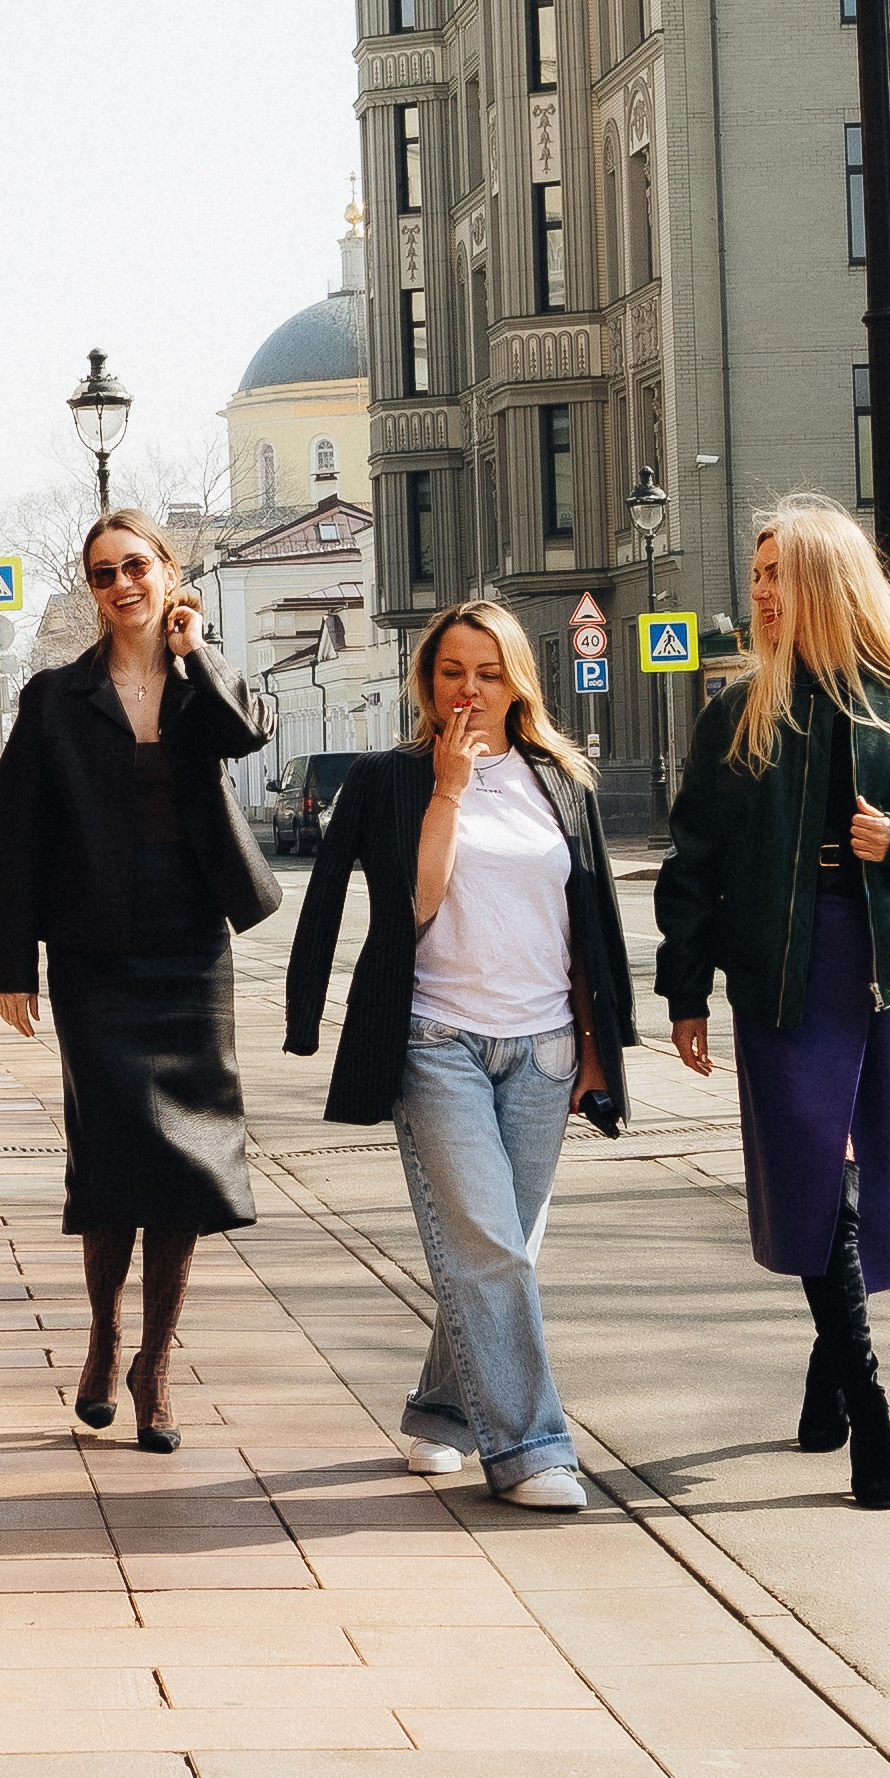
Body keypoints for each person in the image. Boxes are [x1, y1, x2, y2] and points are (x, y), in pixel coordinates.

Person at [655, 491, 890, 1510]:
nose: (757, 592)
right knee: (817, 1182)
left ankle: (825, 1384)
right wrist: (685, 988)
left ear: (822, 583)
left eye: (775, 574)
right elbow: (693, 868)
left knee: (860, 1191)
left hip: (886, 970)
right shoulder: (738, 713)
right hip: (781, 974)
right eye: (755, 574)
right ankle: (869, 1407)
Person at [286, 601, 633, 1508]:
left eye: (487, 671)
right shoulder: (391, 779)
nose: (468, 690)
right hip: (436, 1040)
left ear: (517, 678)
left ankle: (441, 1413)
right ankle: (532, 1450)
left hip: (547, 1046)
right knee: (486, 1248)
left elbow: (586, 924)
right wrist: (447, 787)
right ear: (426, 681)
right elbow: (413, 906)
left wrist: (595, 1051)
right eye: (451, 672)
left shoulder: (561, 778)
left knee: (499, 1249)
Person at [0, 510, 278, 1451]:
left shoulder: (206, 675)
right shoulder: (55, 698)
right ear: (92, 589)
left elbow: (245, 737)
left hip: (191, 935)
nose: (122, 584)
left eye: (137, 566)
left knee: (186, 1152)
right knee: (112, 1150)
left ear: (168, 571)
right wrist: (12, 966)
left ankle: (157, 1360)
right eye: (104, 573)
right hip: (92, 945)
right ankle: (105, 1329)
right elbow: (20, 839)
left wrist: (195, 655)